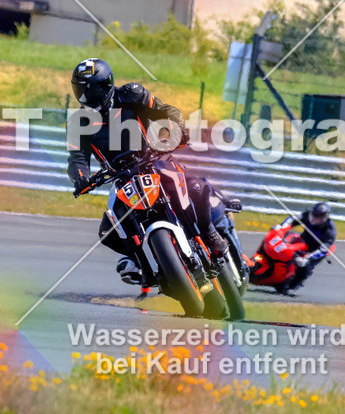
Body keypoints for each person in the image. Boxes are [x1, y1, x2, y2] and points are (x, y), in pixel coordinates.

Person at [67, 58, 230, 286]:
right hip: (120, 177)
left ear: (106, 85)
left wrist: (175, 130)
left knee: (196, 188)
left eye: (93, 90)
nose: (88, 96)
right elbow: (77, 158)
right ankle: (143, 264)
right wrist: (81, 178)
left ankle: (209, 233)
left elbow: (165, 110)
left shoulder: (131, 94)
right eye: (82, 91)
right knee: (108, 231)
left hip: (153, 159)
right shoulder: (78, 122)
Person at [274, 202, 336, 294]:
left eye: (319, 216)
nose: (315, 217)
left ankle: (293, 283)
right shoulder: (308, 215)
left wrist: (308, 257)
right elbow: (293, 219)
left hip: (315, 250)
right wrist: (282, 226)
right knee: (281, 246)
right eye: (314, 214)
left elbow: (323, 249)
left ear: (325, 216)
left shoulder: (329, 230)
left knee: (303, 265)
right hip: (302, 241)